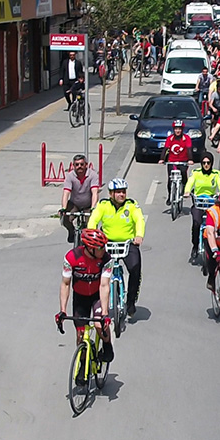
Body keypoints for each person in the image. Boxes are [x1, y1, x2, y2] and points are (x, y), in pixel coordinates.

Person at [57, 228, 115, 372]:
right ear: (90, 248)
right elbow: (65, 284)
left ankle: (107, 346)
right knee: (80, 335)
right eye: (100, 247)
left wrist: (105, 314)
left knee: (99, 325)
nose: (104, 250)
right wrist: (62, 311)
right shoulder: (72, 257)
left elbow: (104, 285)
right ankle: (83, 364)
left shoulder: (106, 259)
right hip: (80, 297)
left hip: (97, 296)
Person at [88, 178, 145, 316]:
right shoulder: (103, 205)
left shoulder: (131, 205)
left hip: (127, 243)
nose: (121, 195)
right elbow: (93, 220)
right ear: (111, 194)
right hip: (107, 243)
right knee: (95, 269)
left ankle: (130, 301)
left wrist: (139, 235)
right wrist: (92, 236)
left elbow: (139, 220)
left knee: (135, 268)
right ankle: (97, 300)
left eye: (123, 192)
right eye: (118, 192)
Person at [183, 153, 220, 263]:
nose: (206, 165)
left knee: (218, 225)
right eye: (204, 163)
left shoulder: (216, 174)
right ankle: (195, 246)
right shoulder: (196, 173)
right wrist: (187, 191)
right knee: (197, 223)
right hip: (199, 202)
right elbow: (190, 183)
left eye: (208, 163)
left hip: (211, 203)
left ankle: (218, 246)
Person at [60, 154, 100, 244]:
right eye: (77, 165)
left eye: (82, 164)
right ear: (73, 165)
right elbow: (66, 193)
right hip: (75, 203)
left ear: (86, 164)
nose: (79, 167)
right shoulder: (70, 176)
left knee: (91, 224)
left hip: (88, 204)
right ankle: (71, 231)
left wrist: (93, 207)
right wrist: (63, 208)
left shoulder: (92, 175)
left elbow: (94, 192)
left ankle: (88, 241)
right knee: (65, 218)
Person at [161, 120, 192, 205]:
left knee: (183, 174)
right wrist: (162, 159)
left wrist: (190, 159)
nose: (177, 131)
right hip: (172, 161)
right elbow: (165, 149)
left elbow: (189, 150)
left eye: (179, 129)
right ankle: (170, 195)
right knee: (170, 180)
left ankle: (185, 189)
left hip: (183, 161)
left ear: (182, 129)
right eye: (176, 129)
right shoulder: (170, 138)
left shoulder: (186, 138)